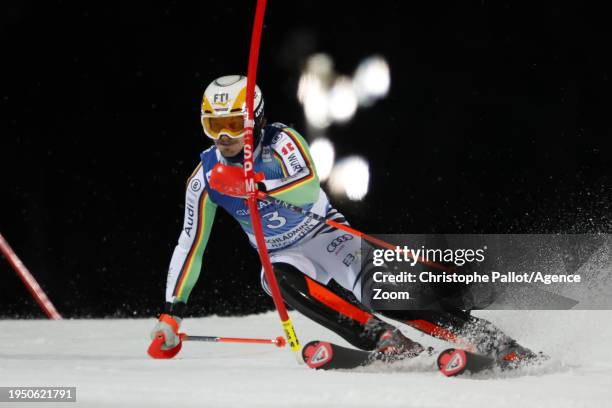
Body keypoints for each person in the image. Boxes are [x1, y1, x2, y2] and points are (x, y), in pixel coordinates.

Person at [150, 74, 539, 367]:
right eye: (212, 125)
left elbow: (306, 187)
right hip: (284, 255)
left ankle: (497, 344)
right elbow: (191, 244)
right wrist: (171, 312)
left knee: (383, 293)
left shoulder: (282, 141)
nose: (223, 136)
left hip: (326, 232)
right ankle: (381, 337)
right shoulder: (204, 178)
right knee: (273, 279)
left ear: (254, 119)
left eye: (233, 124)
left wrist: (258, 184)